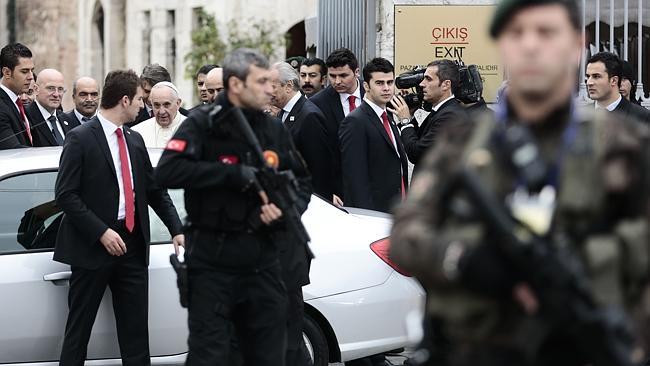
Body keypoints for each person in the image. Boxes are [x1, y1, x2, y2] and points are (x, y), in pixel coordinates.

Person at [390, 0, 650, 364]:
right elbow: (405, 235)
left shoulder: (625, 145)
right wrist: (462, 259)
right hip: (478, 348)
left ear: (575, 46)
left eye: (546, 33)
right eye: (517, 33)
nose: (530, 45)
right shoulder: (462, 142)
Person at [155, 48, 312, 366]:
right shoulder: (202, 123)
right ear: (237, 85)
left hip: (263, 262)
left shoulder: (273, 128)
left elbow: (303, 182)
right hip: (213, 262)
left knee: (270, 355)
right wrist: (232, 175)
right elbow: (167, 172)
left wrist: (283, 209)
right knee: (212, 355)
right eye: (262, 81)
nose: (271, 88)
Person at [54, 69, 184, 366]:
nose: (144, 106)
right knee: (79, 331)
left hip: (132, 246)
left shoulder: (134, 140)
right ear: (125, 100)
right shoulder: (80, 139)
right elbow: (66, 195)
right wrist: (101, 232)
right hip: (92, 247)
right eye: (141, 99)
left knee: (136, 333)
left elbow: (154, 191)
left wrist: (177, 229)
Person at [339, 57, 409, 213]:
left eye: (390, 82)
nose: (386, 88)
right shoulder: (355, 121)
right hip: (373, 215)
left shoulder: (388, 117)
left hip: (396, 209)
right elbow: (355, 177)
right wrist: (367, 217)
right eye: (379, 83)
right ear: (366, 86)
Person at [270, 61, 336, 201]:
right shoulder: (283, 112)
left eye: (272, 87)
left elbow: (319, 169)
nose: (267, 92)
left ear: (288, 86)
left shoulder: (309, 116)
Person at [391, 59, 469, 173]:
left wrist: (405, 121)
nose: (422, 84)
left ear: (446, 85)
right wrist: (411, 116)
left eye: (428, 79)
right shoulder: (441, 110)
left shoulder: (450, 116)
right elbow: (418, 141)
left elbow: (417, 154)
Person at [310, 48, 365, 204]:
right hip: (339, 189)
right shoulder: (317, 104)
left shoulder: (373, 94)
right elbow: (319, 153)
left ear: (357, 72)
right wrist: (327, 191)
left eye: (343, 75)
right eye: (332, 76)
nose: (337, 81)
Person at [586, 52, 650, 124]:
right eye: (588, 76)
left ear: (614, 80)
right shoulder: (580, 116)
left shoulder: (642, 117)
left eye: (596, 76)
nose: (589, 82)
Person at [26, 69, 79, 146]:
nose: (56, 94)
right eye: (50, 88)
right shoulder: (25, 118)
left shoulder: (68, 120)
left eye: (60, 89)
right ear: (36, 89)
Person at [0, 42, 35, 149]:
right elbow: (13, 150)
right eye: (24, 71)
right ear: (7, 73)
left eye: (32, 71)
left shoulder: (17, 102)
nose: (31, 77)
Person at [132, 81, 186, 148]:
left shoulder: (194, 129)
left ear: (178, 103)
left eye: (167, 105)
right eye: (156, 105)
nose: (162, 112)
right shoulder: (137, 132)